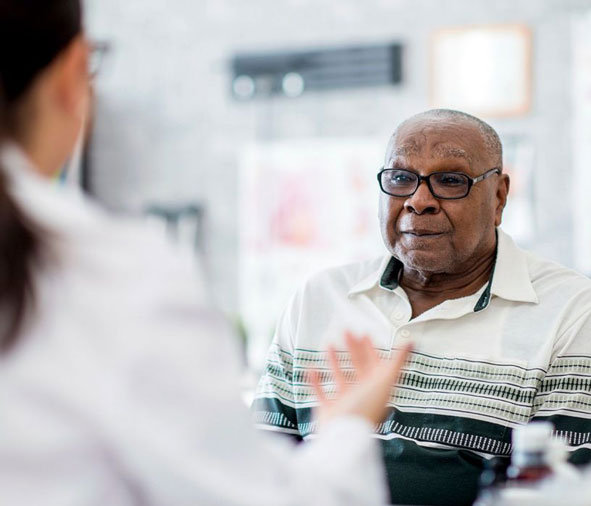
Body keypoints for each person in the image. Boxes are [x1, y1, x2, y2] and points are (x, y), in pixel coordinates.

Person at [0, 1, 411, 504]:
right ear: (72, 75)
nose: (421, 203)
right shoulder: (115, 276)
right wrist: (347, 428)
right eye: (402, 180)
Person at [254, 109, 591, 506]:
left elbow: (569, 493)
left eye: (450, 181)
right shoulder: (318, 297)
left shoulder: (572, 309)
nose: (419, 200)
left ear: (499, 197)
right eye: (401, 178)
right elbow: (258, 470)